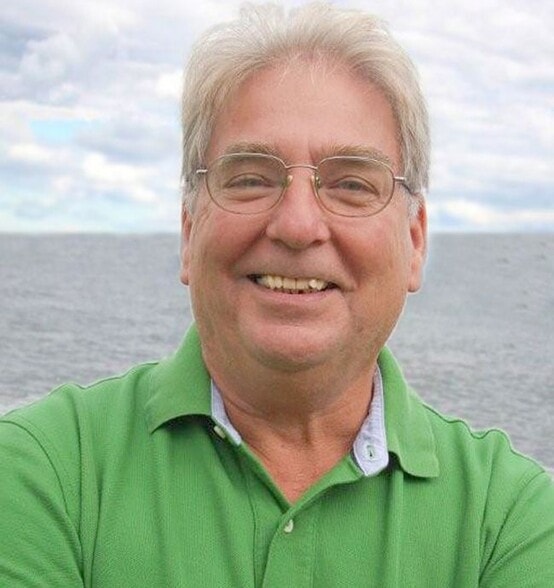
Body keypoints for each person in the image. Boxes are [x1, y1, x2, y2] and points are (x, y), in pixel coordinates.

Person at [1, 2, 552, 586]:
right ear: (189, 231)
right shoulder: (44, 470)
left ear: (414, 242)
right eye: (250, 179)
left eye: (351, 184)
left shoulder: (510, 518)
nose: (297, 224)